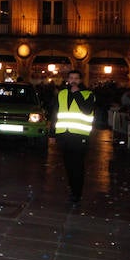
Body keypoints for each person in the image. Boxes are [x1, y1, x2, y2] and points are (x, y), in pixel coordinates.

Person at [52, 69, 95, 204]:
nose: (73, 80)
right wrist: (52, 133)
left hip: (79, 135)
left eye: (76, 78)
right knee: (68, 165)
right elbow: (55, 113)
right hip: (64, 135)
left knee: (78, 165)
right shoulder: (62, 94)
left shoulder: (88, 94)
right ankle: (72, 189)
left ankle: (77, 193)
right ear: (67, 80)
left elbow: (87, 110)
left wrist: (76, 93)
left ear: (80, 80)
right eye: (71, 78)